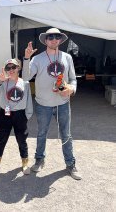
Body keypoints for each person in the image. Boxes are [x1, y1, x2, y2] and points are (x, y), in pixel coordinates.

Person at [22, 27, 81, 180]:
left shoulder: (67, 57)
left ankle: (70, 164)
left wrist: (71, 90)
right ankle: (39, 160)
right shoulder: (37, 59)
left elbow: (73, 79)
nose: (53, 39)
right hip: (43, 104)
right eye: (50, 37)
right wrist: (27, 58)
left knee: (66, 134)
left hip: (62, 102)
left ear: (60, 40)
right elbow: (26, 77)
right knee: (42, 133)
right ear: (45, 40)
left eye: (57, 36)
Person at [0, 59, 33, 174]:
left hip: (20, 114)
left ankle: (25, 163)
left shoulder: (24, 82)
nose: (11, 70)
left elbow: (29, 99)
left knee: (21, 140)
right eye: (8, 68)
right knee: (2, 139)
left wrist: (27, 115)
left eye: (13, 67)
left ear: (18, 68)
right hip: (5, 113)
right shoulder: (3, 82)